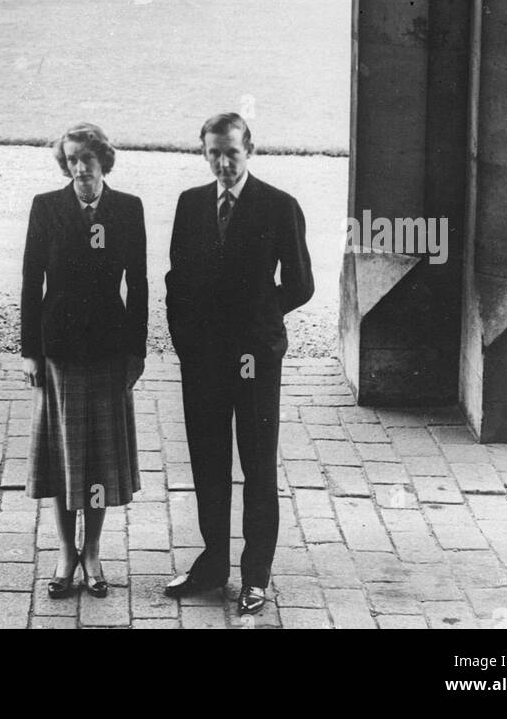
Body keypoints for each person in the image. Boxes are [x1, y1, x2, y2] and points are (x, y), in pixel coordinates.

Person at [164, 111, 314, 616]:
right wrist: (187, 343)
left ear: (249, 149)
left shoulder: (278, 207)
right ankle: (212, 564)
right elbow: (176, 280)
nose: (222, 163)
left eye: (231, 152)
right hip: (203, 359)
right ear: (203, 153)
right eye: (213, 153)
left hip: (253, 358)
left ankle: (256, 575)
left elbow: (300, 284)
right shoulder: (190, 205)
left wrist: (254, 317)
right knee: (208, 462)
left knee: (256, 466)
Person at [21, 122, 148, 599]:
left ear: (103, 163)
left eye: (87, 161)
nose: (80, 169)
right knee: (62, 456)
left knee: (96, 457)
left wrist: (136, 350)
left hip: (109, 350)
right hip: (59, 351)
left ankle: (92, 550)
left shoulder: (127, 209)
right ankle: (64, 553)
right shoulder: (47, 207)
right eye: (72, 160)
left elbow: (138, 284)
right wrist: (30, 350)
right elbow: (31, 282)